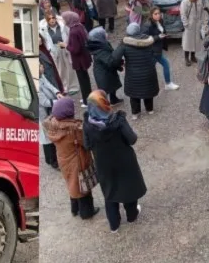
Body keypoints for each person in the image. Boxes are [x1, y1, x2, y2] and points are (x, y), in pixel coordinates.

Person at [82, 90, 147, 234]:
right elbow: (132, 139)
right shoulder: (118, 120)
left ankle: (114, 225)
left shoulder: (87, 124)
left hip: (104, 164)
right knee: (128, 188)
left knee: (110, 193)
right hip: (124, 161)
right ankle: (131, 216)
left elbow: (87, 145)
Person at [42, 97, 99, 219]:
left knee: (71, 183)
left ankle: (75, 209)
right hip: (77, 161)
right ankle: (86, 212)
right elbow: (86, 142)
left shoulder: (53, 124)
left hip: (63, 159)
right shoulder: (73, 129)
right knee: (82, 186)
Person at [112, 23, 160, 120]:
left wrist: (121, 63)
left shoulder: (124, 44)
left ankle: (135, 113)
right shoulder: (148, 40)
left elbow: (114, 58)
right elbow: (156, 52)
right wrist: (152, 62)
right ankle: (150, 109)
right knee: (148, 90)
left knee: (134, 94)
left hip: (133, 74)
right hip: (149, 71)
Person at [40, 11, 79, 94]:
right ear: (47, 20)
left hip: (65, 47)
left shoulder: (62, 25)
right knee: (60, 69)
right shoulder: (44, 29)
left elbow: (69, 35)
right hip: (55, 49)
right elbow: (45, 40)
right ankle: (64, 88)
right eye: (49, 19)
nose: (52, 20)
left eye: (53, 18)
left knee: (70, 67)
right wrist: (50, 49)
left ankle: (73, 87)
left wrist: (68, 44)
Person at [143, 7, 180, 91]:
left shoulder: (160, 21)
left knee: (150, 68)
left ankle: (166, 84)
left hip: (158, 49)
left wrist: (165, 35)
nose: (158, 15)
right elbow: (145, 38)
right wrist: (158, 37)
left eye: (158, 13)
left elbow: (162, 31)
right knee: (163, 65)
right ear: (151, 15)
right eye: (155, 14)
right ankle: (167, 84)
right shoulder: (148, 25)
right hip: (152, 51)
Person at [63, 11, 93, 107]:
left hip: (79, 60)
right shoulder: (79, 26)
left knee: (83, 80)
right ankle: (87, 97)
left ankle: (86, 101)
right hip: (84, 58)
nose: (63, 21)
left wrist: (66, 46)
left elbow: (75, 49)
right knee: (85, 79)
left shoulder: (73, 31)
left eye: (64, 19)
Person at [87, 27, 123, 104]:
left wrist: (119, 63)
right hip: (103, 73)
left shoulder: (102, 43)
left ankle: (114, 99)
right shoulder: (99, 50)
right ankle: (103, 105)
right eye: (104, 33)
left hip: (108, 71)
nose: (106, 34)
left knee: (112, 86)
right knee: (105, 90)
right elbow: (110, 61)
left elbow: (112, 55)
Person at [39, 63, 64, 169]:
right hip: (43, 112)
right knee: (47, 137)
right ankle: (52, 160)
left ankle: (52, 158)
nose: (42, 67)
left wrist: (57, 92)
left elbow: (49, 85)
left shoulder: (41, 76)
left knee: (50, 134)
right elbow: (44, 102)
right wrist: (58, 102)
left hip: (49, 110)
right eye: (40, 66)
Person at [180, 0, 204, 66]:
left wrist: (201, 22)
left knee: (195, 41)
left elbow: (201, 11)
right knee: (188, 42)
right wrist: (186, 24)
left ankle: (193, 56)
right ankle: (186, 58)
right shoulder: (185, 2)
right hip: (189, 25)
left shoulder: (199, 0)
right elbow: (183, 14)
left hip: (197, 25)